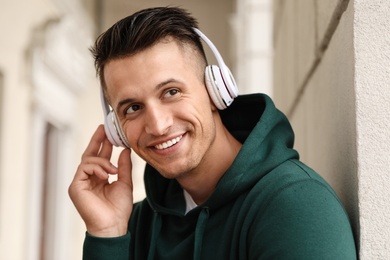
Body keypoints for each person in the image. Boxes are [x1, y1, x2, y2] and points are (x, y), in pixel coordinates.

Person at [68, 6, 357, 260]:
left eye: (171, 92)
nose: (157, 125)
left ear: (215, 90)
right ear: (116, 129)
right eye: (132, 108)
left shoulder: (296, 206)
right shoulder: (134, 226)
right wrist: (107, 235)